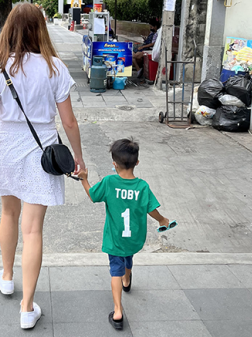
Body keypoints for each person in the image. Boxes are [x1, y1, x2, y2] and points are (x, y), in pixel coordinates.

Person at [0, 3, 85, 329]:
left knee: (8, 214)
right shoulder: (54, 68)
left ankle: (7, 276)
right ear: (41, 29)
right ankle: (27, 308)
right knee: (33, 229)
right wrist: (78, 158)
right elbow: (68, 121)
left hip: (7, 149)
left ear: (9, 28)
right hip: (43, 152)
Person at [76, 138, 177, 331]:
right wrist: (162, 220)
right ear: (137, 163)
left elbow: (93, 196)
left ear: (114, 164)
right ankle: (127, 280)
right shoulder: (142, 187)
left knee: (115, 268)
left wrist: (84, 179)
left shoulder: (109, 182)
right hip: (134, 237)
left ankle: (117, 311)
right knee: (127, 257)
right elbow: (152, 209)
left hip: (115, 238)